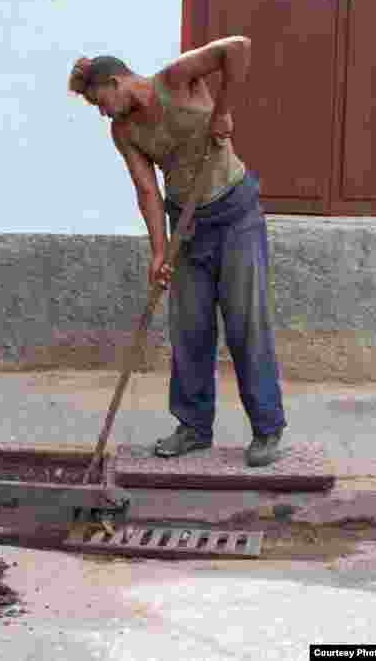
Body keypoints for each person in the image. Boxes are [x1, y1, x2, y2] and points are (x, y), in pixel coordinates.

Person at [68, 36, 287, 467]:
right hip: (186, 228)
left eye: (100, 102)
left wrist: (222, 109)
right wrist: (159, 252)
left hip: (235, 215)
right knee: (190, 328)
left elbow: (239, 47)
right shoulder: (124, 131)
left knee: (246, 323)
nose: (102, 112)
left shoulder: (176, 79)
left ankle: (267, 428)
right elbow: (147, 190)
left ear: (116, 82)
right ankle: (193, 427)